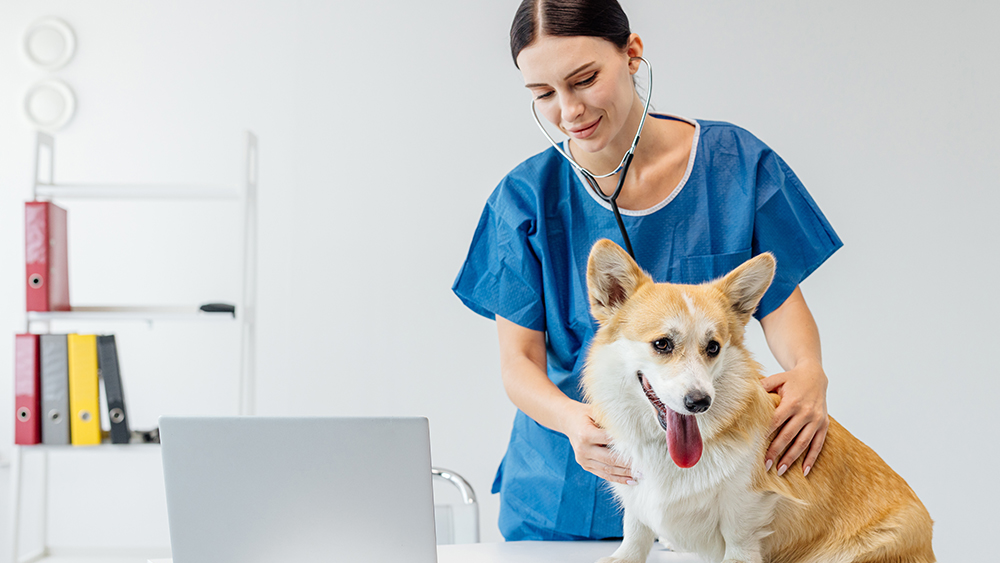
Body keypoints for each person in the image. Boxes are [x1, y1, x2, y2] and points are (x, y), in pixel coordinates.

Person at [452, 0, 842, 541]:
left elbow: (779, 305)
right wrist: (572, 422)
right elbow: (518, 362)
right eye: (543, 94)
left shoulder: (732, 165)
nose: (568, 111)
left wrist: (808, 371)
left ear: (632, 54)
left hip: (712, 493)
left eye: (584, 79)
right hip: (565, 491)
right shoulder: (524, 200)